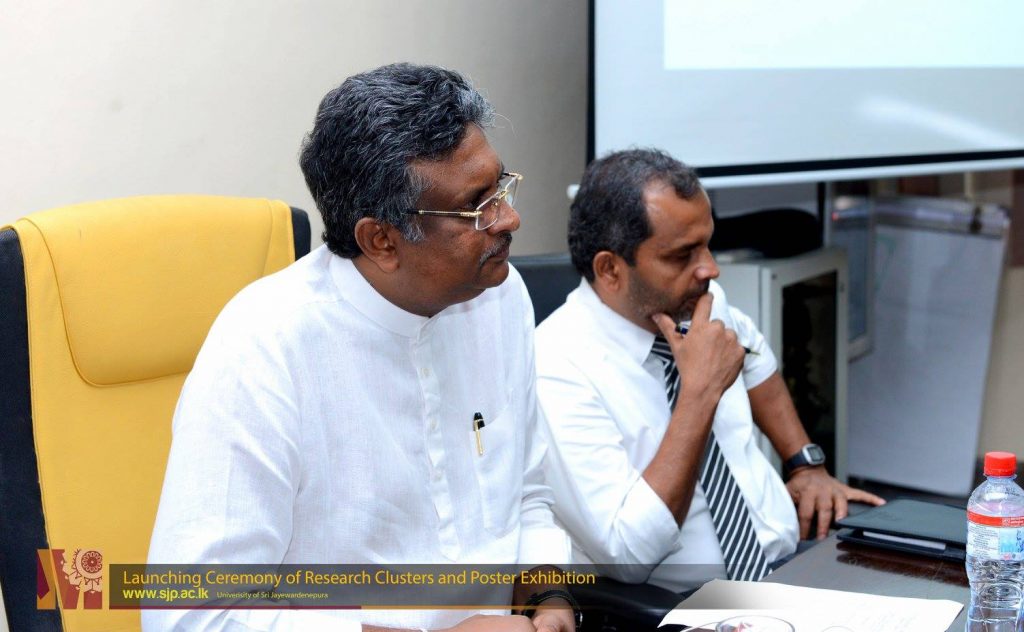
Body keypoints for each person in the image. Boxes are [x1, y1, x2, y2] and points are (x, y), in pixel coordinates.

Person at [145, 63, 576, 632]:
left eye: (501, 187)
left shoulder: (499, 296)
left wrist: (548, 597)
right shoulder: (266, 348)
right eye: (478, 207)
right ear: (381, 240)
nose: (509, 217)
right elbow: (190, 614)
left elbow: (527, 492)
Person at [534, 148, 884, 593]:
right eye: (682, 255)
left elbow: (755, 356)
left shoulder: (699, 301)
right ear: (610, 270)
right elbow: (628, 556)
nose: (710, 269)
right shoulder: (557, 367)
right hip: (687, 604)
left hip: (792, 561)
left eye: (707, 243)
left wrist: (804, 465)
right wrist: (699, 395)